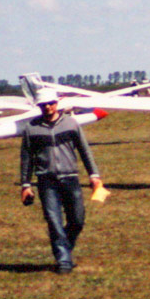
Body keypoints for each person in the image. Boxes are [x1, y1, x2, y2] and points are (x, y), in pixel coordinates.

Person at [20, 88, 104, 274]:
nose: (47, 107)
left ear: (57, 103)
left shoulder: (71, 124)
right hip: (46, 181)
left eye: (50, 103)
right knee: (54, 221)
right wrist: (26, 185)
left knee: (77, 220)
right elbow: (27, 159)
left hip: (70, 178)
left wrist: (94, 175)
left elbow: (84, 151)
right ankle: (64, 261)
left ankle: (63, 246)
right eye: (43, 105)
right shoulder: (31, 129)